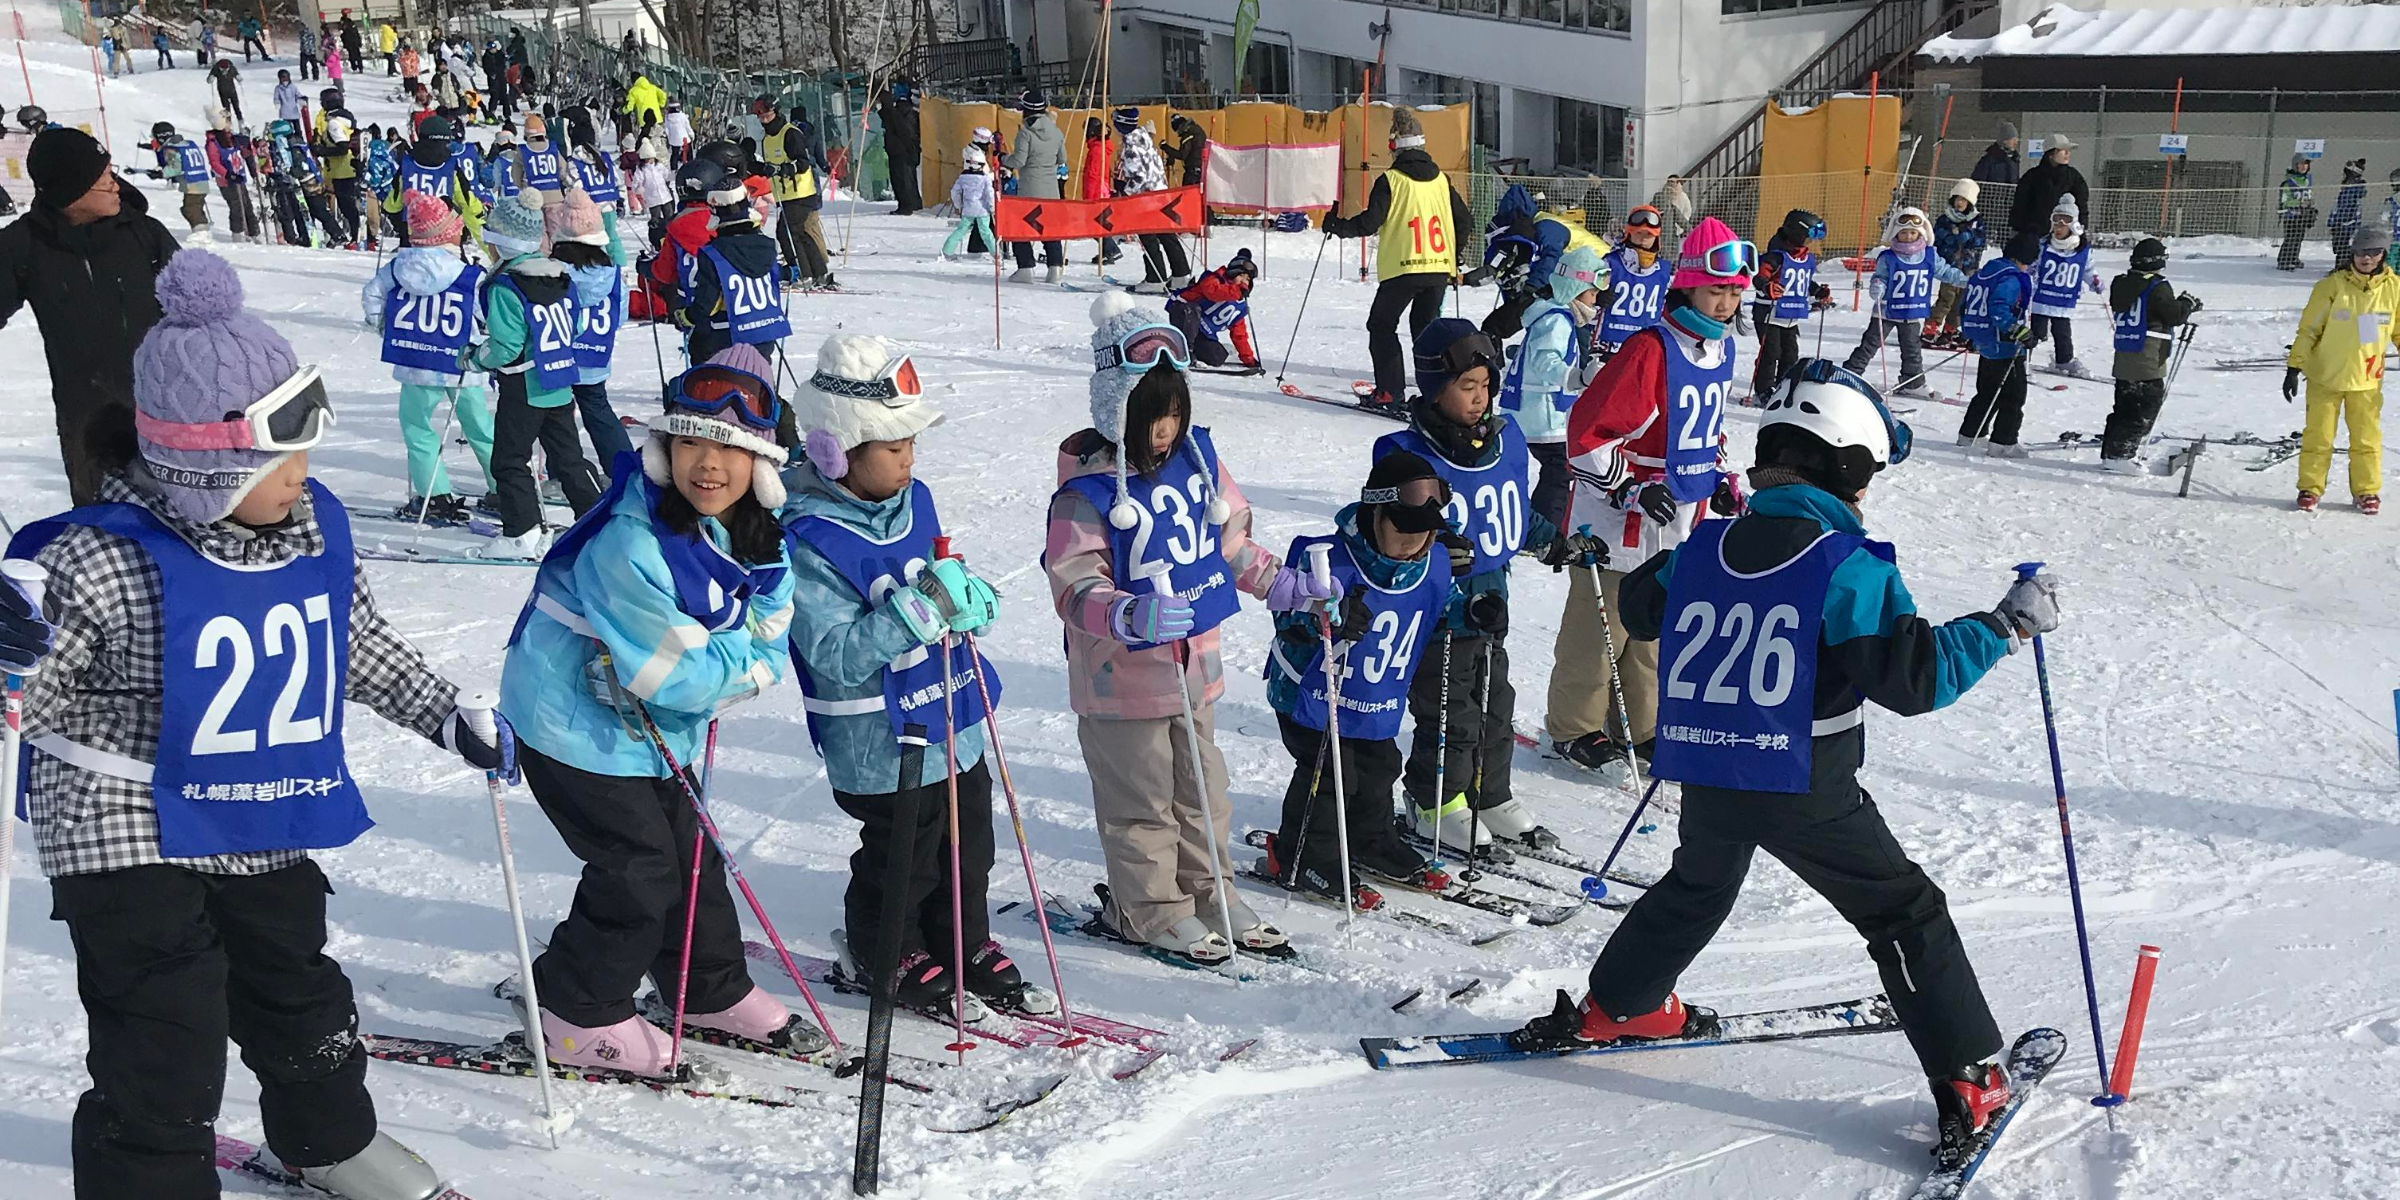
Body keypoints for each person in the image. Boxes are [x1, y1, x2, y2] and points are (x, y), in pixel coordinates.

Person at [7, 248, 503, 1200]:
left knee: (298, 987)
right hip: (127, 816)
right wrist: (10, 658)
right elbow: (33, 698)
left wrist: (447, 716)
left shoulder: (310, 529)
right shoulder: (102, 563)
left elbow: (351, 645)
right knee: (166, 1027)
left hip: (255, 805)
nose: (300, 479)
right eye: (276, 461)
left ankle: (329, 1139)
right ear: (200, 465)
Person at [1510, 356, 2052, 1174]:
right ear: (1844, 464)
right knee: (1903, 912)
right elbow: (1914, 678)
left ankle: (1619, 1005)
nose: (1865, 493)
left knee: (1698, 887)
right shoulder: (1847, 563)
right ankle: (1971, 1076)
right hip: (1804, 780)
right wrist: (2004, 626)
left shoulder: (1709, 545)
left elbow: (1640, 606)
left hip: (1707, 770)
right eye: (1865, 473)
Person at [499, 345, 806, 1076]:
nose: (709, 465)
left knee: (690, 855)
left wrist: (728, 662)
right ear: (664, 451)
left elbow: (772, 630)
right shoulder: (629, 544)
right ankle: (575, 1006)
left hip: (657, 733)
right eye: (690, 442)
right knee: (638, 869)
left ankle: (705, 986)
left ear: (760, 464)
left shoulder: (755, 534)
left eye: (729, 448)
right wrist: (737, 664)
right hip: (573, 728)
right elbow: (674, 674)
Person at [780, 333, 1054, 1012]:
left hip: (950, 712)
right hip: (879, 737)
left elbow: (935, 577)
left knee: (969, 844)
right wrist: (917, 612)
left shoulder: (914, 500)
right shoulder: (807, 535)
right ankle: (887, 946)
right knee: (906, 851)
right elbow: (834, 654)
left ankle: (961, 937)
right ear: (833, 450)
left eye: (911, 447)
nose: (908, 461)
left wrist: (966, 598)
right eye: (893, 449)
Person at [1044, 291, 1288, 963]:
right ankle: (1149, 908)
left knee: (1204, 794)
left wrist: (1282, 583)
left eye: (1175, 412)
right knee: (1143, 801)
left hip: (1195, 668)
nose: (1165, 429)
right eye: (1151, 415)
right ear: (1115, 406)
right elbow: (1072, 581)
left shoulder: (1199, 464)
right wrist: (1123, 611)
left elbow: (1231, 542)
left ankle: (1212, 894)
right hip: (1120, 680)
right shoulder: (1087, 493)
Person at [1549, 217, 1751, 773]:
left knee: (1655, 629)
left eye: (1735, 292)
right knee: (1601, 628)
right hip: (1618, 520)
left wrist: (1721, 477)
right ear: (1688, 285)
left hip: (1679, 515)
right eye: (1717, 290)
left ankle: (1641, 726)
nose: (1726, 303)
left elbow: (1702, 428)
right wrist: (1630, 485)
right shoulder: (1648, 349)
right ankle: (1576, 726)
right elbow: (1586, 434)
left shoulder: (1720, 352)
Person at [1377, 318, 1558, 851]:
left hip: (1491, 604)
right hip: (1437, 613)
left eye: (1485, 386)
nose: (1479, 399)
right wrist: (1436, 548)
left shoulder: (1504, 442)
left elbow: (1513, 512)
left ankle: (1489, 792)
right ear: (1435, 388)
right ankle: (1435, 801)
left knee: (1495, 703)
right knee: (1448, 711)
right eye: (1465, 387)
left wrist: (1557, 542)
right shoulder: (1406, 454)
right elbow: (1384, 527)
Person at [1256, 451, 1453, 909]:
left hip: (1374, 697)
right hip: (1309, 694)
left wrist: (1474, 612)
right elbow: (1288, 616)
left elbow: (1446, 606)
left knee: (1380, 767)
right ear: (1374, 514)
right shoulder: (1326, 559)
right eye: (1401, 530)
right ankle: (1302, 854)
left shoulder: (1434, 562)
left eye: (1422, 533)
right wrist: (1326, 617)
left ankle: (1370, 839)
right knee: (1331, 775)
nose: (1411, 543)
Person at [0, 128, 178, 505]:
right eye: (104, 180)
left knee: (184, 522)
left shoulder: (144, 234)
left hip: (167, 411)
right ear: (71, 191)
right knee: (102, 527)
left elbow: (202, 313)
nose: (116, 186)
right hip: (87, 423)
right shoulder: (22, 246)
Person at [473, 190, 605, 558]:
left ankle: (522, 533)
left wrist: (474, 358)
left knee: (510, 459)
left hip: (524, 384)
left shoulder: (507, 285)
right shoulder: (561, 277)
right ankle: (598, 522)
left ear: (503, 244)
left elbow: (505, 346)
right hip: (560, 380)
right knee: (568, 459)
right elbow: (575, 325)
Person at [1324, 107, 1471, 413]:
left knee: (1381, 326)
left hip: (1403, 269)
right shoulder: (1441, 180)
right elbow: (1464, 221)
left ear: (1393, 146)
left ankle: (1390, 392)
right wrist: (1452, 258)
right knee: (1426, 332)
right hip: (1437, 270)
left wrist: (1337, 226)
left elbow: (1369, 223)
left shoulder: (1391, 180)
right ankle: (1438, 393)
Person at [364, 192, 497, 523]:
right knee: (480, 426)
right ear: (448, 232)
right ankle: (505, 488)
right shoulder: (469, 274)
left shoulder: (397, 268)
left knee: (418, 428)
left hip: (416, 363)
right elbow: (487, 311)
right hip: (462, 364)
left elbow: (372, 295)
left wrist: (383, 324)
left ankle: (434, 495)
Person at [2283, 225, 2399, 513]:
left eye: (2373, 252)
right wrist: (2294, 367)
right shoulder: (2331, 287)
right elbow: (2309, 330)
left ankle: (2366, 491)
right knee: (2318, 436)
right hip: (2326, 376)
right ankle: (2310, 487)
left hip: (2367, 379)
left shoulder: (2395, 289)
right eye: (2361, 252)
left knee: (2366, 439)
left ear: (2383, 254)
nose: (2366, 258)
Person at [1499, 244, 1603, 529]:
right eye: (1592, 291)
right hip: (1540, 413)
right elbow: (1545, 361)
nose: (1596, 298)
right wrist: (1578, 377)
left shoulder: (1553, 316)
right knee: (1560, 469)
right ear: (1574, 288)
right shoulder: (1558, 320)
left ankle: (1531, 518)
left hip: (1533, 411)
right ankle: (1545, 526)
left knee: (1548, 467)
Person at [2099, 237, 2203, 473]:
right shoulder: (2157, 285)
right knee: (2144, 407)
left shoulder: (2121, 283)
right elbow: (2173, 315)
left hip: (2125, 352)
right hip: (2148, 355)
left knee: (2124, 406)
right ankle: (2120, 456)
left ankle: (2111, 452)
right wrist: (2186, 304)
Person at [1840, 208, 1963, 400]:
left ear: (1921, 233)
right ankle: (1850, 373)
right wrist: (1878, 286)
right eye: (1903, 233)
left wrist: (1965, 280)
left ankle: (1912, 381)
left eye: (1913, 233)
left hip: (1912, 311)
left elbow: (1946, 272)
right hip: (1887, 311)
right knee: (1870, 343)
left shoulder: (1929, 255)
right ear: (1896, 233)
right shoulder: (1888, 257)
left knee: (1912, 348)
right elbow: (1880, 277)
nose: (1908, 237)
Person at [552, 189, 634, 473]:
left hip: (558, 354)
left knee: (558, 417)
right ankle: (622, 470)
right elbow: (620, 314)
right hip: (595, 353)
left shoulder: (555, 272)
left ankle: (563, 473)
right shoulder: (610, 273)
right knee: (598, 410)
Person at [679, 189, 788, 366]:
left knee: (707, 360)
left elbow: (707, 303)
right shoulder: (767, 245)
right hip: (765, 333)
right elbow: (766, 274)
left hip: (727, 335)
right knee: (758, 374)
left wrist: (688, 316)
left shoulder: (713, 252)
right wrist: (787, 273)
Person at [1957, 231, 2042, 457]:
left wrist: (1971, 334)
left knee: (1987, 392)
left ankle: (1970, 434)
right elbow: (1999, 309)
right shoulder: (2010, 278)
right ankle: (2003, 442)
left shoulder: (1985, 272)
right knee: (2014, 395)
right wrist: (2020, 332)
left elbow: (1964, 305)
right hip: (2005, 345)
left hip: (1986, 343)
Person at [1749, 208, 1830, 403]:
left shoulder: (1806, 259)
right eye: (1809, 238)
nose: (1812, 243)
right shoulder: (1776, 257)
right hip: (1770, 314)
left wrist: (1818, 291)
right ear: (1796, 234)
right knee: (1771, 353)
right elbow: (1759, 278)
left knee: (1790, 353)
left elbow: (1803, 281)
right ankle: (1764, 390)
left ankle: (1784, 385)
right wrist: (1767, 287)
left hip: (1791, 315)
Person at [754, 95, 834, 288]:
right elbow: (770, 164)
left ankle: (803, 273)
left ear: (776, 112)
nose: (764, 119)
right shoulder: (767, 139)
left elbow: (803, 163)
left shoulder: (790, 133)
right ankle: (818, 272)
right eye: (760, 116)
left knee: (789, 233)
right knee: (798, 233)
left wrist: (782, 169)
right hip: (785, 195)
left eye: (767, 114)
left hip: (801, 192)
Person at [2026, 195, 2102, 379]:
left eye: (2065, 222)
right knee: (2036, 332)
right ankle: (2022, 359)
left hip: (2064, 299)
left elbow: (2087, 268)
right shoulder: (2044, 245)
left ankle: (2064, 359)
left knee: (2062, 333)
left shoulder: (2082, 249)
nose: (2059, 227)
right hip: (2042, 297)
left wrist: (2094, 281)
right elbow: (2033, 264)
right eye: (2056, 222)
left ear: (2074, 225)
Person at [380, 114, 485, 244]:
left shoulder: (407, 163)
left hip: (414, 234)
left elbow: (394, 203)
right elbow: (466, 200)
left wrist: (386, 207)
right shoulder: (450, 165)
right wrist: (479, 211)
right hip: (445, 233)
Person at [1002, 89, 1067, 284]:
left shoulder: (1026, 133)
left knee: (1020, 227)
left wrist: (1004, 158)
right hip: (1051, 190)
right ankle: (1055, 269)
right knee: (1050, 229)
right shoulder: (1056, 131)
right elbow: (1062, 158)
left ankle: (1025, 268)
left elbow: (1019, 161)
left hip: (1029, 189)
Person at [1165, 247, 1264, 374]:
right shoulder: (1214, 279)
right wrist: (1237, 291)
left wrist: (1248, 359)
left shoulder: (1238, 305)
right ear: (1234, 272)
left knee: (1217, 357)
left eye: (1248, 279)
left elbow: (1239, 335)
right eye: (1241, 276)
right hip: (1183, 314)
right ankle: (1184, 353)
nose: (1244, 282)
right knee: (1191, 309)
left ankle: (1190, 350)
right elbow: (1213, 292)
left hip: (1202, 332)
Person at [1593, 205, 1671, 361]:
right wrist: (1597, 299)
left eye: (1649, 234)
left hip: (1646, 349)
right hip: (1608, 347)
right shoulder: (1609, 263)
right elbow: (1585, 299)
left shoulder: (1665, 271)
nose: (1643, 238)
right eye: (1639, 233)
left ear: (1657, 238)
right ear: (1628, 233)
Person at [1927, 180, 1986, 350]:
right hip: (1950, 267)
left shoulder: (1976, 221)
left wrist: (1968, 237)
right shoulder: (1946, 219)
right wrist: (1951, 239)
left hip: (1968, 267)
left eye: (1964, 200)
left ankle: (1950, 329)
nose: (1959, 203)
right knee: (1946, 298)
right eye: (1957, 199)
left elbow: (1980, 241)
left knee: (1960, 302)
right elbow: (1936, 237)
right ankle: (1931, 327)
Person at [314, 90, 367, 248]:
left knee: (347, 206)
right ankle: (355, 237)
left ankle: (356, 238)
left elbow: (342, 147)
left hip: (343, 169)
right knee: (348, 205)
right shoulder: (345, 119)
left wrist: (322, 151)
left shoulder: (334, 123)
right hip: (345, 168)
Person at [2007, 133, 2085, 240]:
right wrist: (2019, 231)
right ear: (2051, 154)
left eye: (2069, 150)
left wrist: (2081, 230)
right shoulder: (2032, 177)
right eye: (2062, 150)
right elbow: (2020, 206)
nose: (2067, 153)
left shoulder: (2074, 177)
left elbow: (2082, 206)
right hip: (2034, 235)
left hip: (2065, 237)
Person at [153, 122, 215, 238]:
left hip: (192, 183)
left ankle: (201, 233)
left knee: (190, 208)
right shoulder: (188, 144)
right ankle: (202, 230)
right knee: (195, 206)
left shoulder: (171, 148)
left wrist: (162, 174)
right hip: (201, 180)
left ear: (161, 137)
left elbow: (176, 167)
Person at [205, 128, 263, 244]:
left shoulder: (233, 138)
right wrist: (227, 174)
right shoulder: (213, 142)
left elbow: (244, 151)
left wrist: (249, 148)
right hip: (226, 180)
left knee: (246, 204)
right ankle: (238, 233)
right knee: (236, 205)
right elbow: (214, 162)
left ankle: (253, 232)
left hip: (239, 176)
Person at [940, 144, 996, 261]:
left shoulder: (962, 178)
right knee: (986, 232)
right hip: (982, 211)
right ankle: (996, 253)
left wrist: (959, 205)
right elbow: (989, 194)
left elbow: (955, 192)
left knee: (961, 230)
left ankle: (947, 251)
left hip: (968, 210)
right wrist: (992, 207)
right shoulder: (985, 179)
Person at [877, 79, 922, 214]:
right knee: (907, 178)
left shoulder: (900, 112)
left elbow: (903, 130)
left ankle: (907, 205)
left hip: (901, 151)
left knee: (901, 179)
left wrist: (910, 148)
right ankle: (912, 203)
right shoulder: (906, 112)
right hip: (904, 150)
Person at [2330, 157, 2368, 265]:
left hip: (2346, 222)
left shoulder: (2353, 189)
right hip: (2341, 221)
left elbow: (2348, 206)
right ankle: (2341, 265)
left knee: (2342, 246)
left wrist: (2344, 221)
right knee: (2339, 245)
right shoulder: (2346, 188)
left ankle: (2342, 266)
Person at [209, 58, 244, 126]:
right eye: (222, 69)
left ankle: (241, 122)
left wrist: (238, 78)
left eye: (226, 69)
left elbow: (237, 76)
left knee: (236, 107)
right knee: (226, 108)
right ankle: (228, 123)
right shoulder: (215, 69)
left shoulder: (232, 68)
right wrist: (211, 78)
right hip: (222, 91)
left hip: (232, 91)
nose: (224, 71)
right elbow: (209, 80)